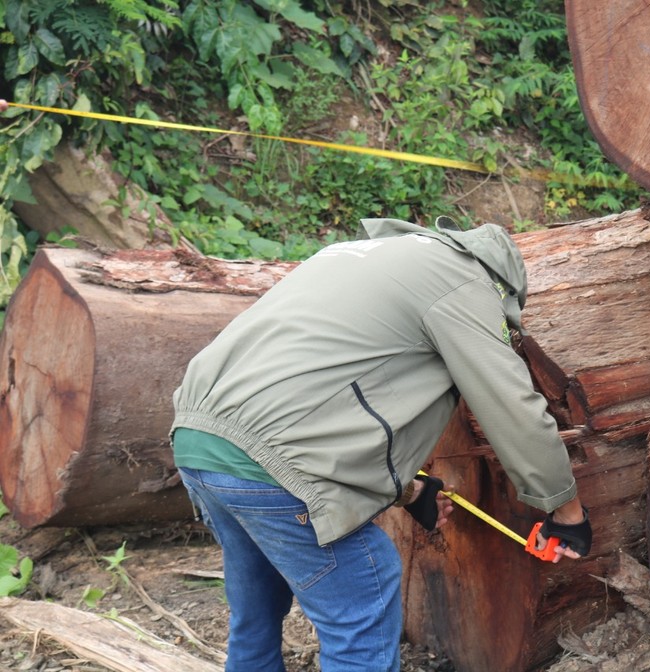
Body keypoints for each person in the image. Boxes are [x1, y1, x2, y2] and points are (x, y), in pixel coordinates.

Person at [170, 215, 592, 672]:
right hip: (273, 461)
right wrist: (566, 510)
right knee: (364, 591)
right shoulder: (462, 281)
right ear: (502, 285)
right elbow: (512, 406)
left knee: (257, 607)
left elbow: (333, 388)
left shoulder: (359, 256)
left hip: (201, 436)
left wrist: (409, 492)